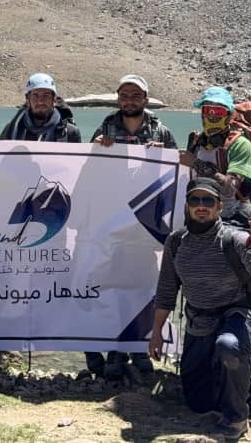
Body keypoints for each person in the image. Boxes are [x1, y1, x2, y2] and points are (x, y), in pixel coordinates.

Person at [149, 177, 251, 441]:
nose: (202, 206)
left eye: (208, 201)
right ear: (187, 206)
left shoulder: (236, 240)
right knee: (198, 402)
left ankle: (236, 419)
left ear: (219, 207)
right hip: (200, 321)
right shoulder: (176, 243)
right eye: (195, 200)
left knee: (229, 347)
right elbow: (166, 291)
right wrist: (156, 332)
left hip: (237, 316)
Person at [89, 74, 176, 380]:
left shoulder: (160, 130)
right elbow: (88, 167)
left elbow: (175, 174)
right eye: (124, 95)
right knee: (112, 286)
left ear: (145, 98)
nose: (129, 100)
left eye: (135, 95)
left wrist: (162, 155)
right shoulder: (106, 126)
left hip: (145, 225)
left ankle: (140, 349)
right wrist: (99, 146)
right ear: (118, 98)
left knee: (144, 287)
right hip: (113, 221)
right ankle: (115, 350)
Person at [179, 86, 251, 201]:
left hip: (228, 211)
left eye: (218, 112)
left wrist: (196, 163)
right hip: (196, 207)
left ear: (229, 115)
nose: (211, 116)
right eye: (207, 110)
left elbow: (229, 190)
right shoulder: (196, 141)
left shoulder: (240, 144)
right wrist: (158, 151)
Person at [0, 73, 80, 141]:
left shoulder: (69, 132)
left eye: (46, 95)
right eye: (35, 95)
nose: (40, 101)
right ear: (27, 99)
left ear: (54, 99)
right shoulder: (11, 129)